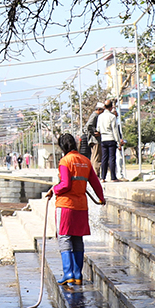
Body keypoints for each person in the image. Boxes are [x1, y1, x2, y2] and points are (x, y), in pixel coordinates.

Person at [45, 133, 104, 285]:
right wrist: (101, 198)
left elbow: (65, 184)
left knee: (64, 237)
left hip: (66, 206)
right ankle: (77, 275)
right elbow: (95, 183)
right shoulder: (85, 161)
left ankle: (68, 273)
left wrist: (53, 190)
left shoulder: (65, 161)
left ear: (62, 147)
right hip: (81, 207)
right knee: (77, 238)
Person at [96, 99, 122, 181]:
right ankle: (113, 177)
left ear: (104, 107)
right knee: (112, 158)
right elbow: (115, 130)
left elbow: (98, 129)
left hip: (103, 139)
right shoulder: (112, 117)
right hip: (111, 139)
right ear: (111, 107)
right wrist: (118, 141)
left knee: (104, 158)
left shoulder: (100, 117)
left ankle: (103, 177)